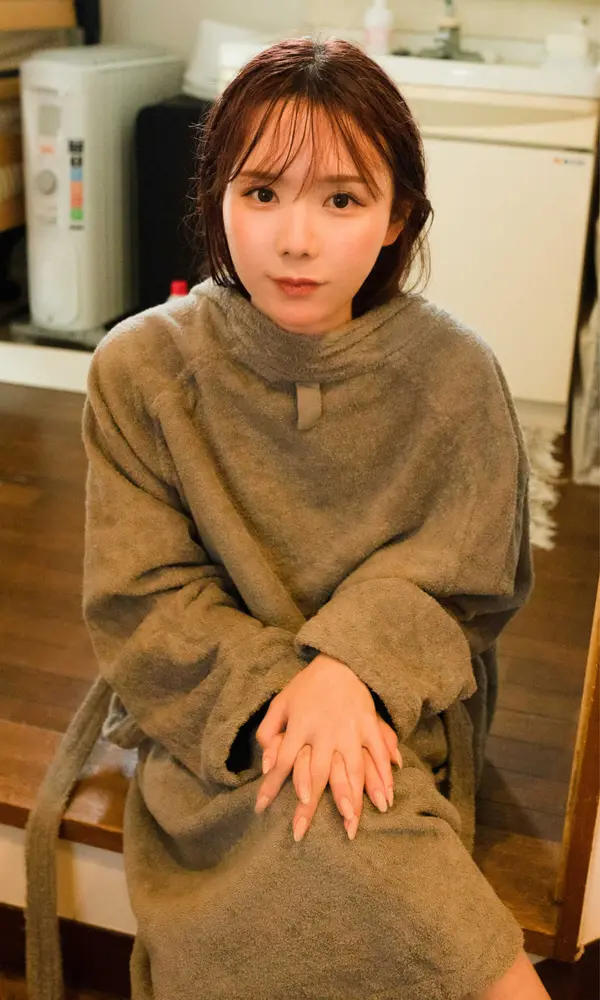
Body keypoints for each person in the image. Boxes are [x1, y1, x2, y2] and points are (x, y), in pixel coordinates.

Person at [36, 35, 549, 1000]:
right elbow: (143, 600)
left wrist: (353, 670)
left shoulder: (457, 373)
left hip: (398, 709)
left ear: (399, 216)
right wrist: (292, 696)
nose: (295, 240)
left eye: (342, 200)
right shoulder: (139, 369)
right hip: (216, 714)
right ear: (216, 197)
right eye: (262, 192)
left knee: (356, 800)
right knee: (316, 813)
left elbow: (468, 580)